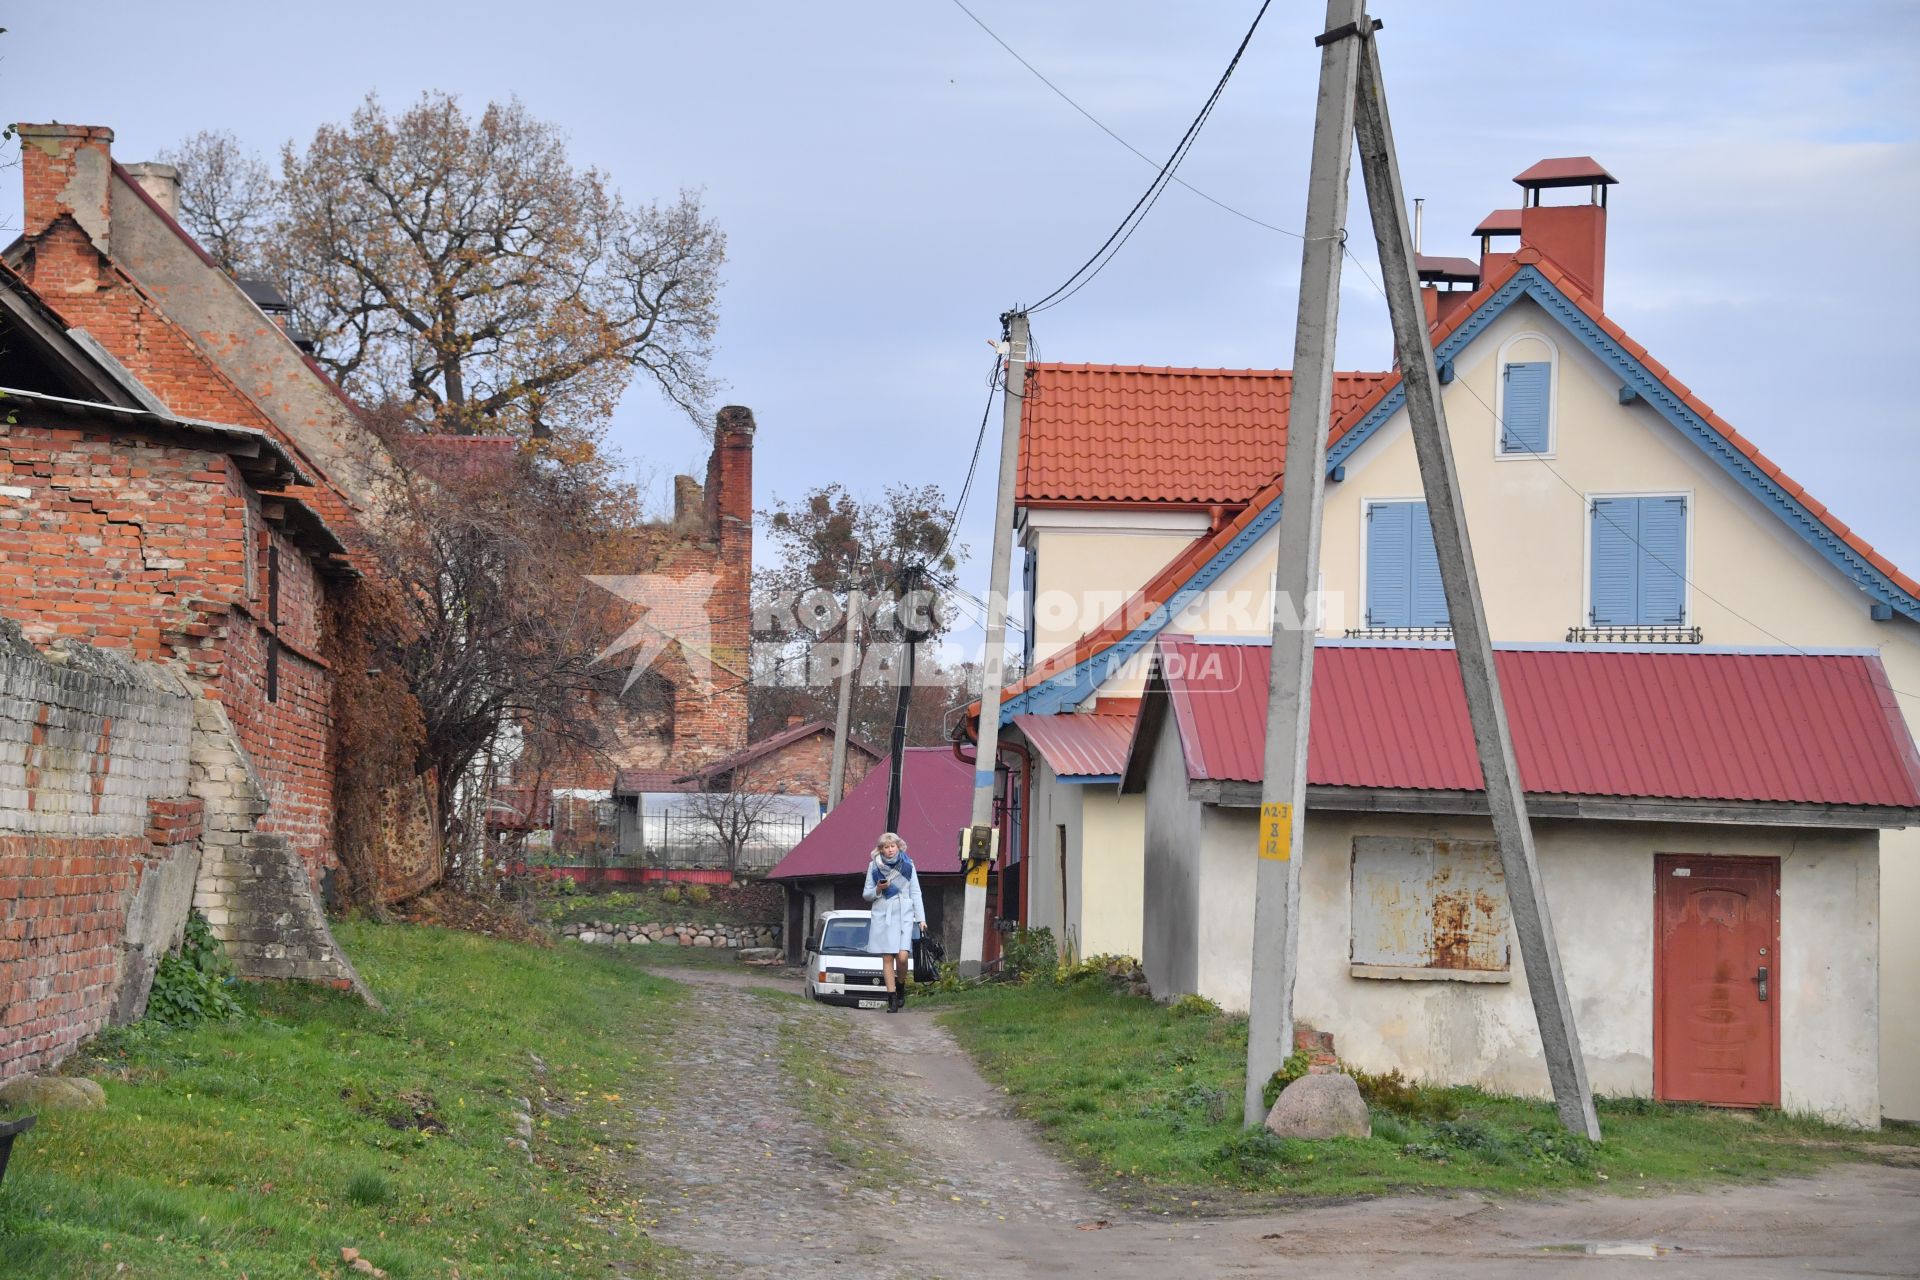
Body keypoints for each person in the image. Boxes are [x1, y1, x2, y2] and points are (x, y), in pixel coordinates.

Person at [862, 832, 926, 1013]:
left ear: (898, 847)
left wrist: (921, 918)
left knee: (903, 956)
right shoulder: (873, 866)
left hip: (904, 914)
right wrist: (878, 889)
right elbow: (866, 895)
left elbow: (916, 892)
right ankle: (891, 999)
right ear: (880, 849)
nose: (890, 850)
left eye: (893, 846)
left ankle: (901, 986)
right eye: (886, 847)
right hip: (883, 914)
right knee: (888, 957)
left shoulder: (908, 865)